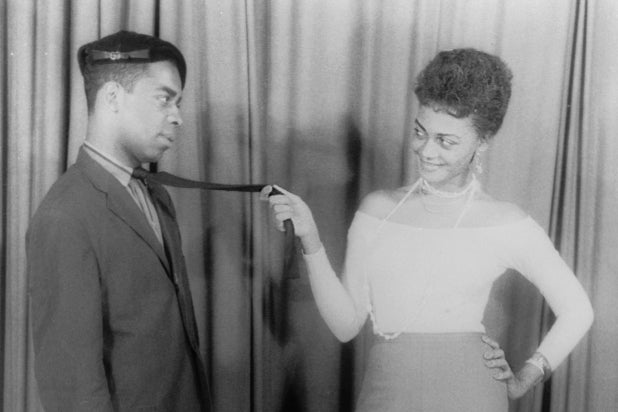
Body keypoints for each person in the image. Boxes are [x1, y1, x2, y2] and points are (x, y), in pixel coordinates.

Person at [263, 48, 594, 411]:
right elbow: (345, 326)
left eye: (446, 141)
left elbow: (578, 309)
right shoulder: (378, 209)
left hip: (472, 393)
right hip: (386, 392)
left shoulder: (505, 221)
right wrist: (310, 238)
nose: (426, 151)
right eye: (420, 133)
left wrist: (528, 375)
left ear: (482, 141)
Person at [27, 31, 210, 411]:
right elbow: (73, 393)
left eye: (178, 103)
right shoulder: (65, 216)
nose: (177, 117)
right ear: (112, 97)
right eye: (164, 99)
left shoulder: (156, 195)